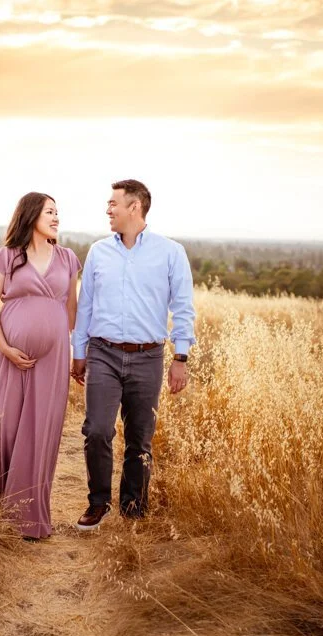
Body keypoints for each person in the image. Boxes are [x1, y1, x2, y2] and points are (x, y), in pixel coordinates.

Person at [70, 179, 196, 530]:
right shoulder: (98, 252)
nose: (108, 209)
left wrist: (180, 358)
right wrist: (78, 353)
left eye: (113, 203)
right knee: (96, 430)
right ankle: (98, 503)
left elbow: (184, 307)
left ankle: (134, 509)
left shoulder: (171, 252)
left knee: (140, 437)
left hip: (148, 357)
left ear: (135, 207)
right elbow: (86, 307)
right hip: (103, 354)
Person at [0, 192, 82, 540]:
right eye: (49, 211)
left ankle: (32, 518)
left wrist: (67, 347)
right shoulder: (7, 256)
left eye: (58, 212)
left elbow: (71, 312)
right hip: (9, 358)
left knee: (42, 430)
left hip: (52, 360)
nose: (56, 217)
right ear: (30, 215)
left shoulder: (68, 259)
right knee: (8, 427)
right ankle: (6, 512)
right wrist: (7, 348)